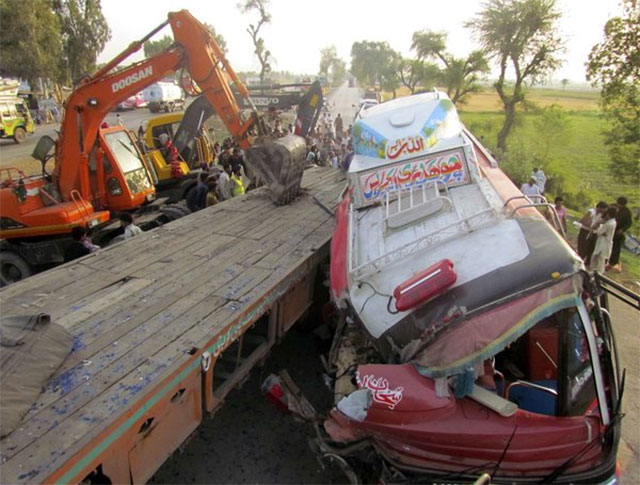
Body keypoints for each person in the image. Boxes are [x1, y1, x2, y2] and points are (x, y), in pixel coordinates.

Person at [589, 206, 617, 273]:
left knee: (600, 259)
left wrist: (599, 224)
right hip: (604, 242)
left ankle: (597, 273)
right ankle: (594, 271)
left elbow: (599, 232)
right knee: (598, 258)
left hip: (603, 243)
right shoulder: (613, 222)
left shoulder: (609, 223)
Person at [608, 196, 632, 272]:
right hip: (609, 229)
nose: (619, 206)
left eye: (621, 205)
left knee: (615, 248)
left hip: (618, 232)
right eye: (619, 204)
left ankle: (612, 263)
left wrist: (622, 230)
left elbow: (629, 223)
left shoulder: (627, 212)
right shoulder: (612, 206)